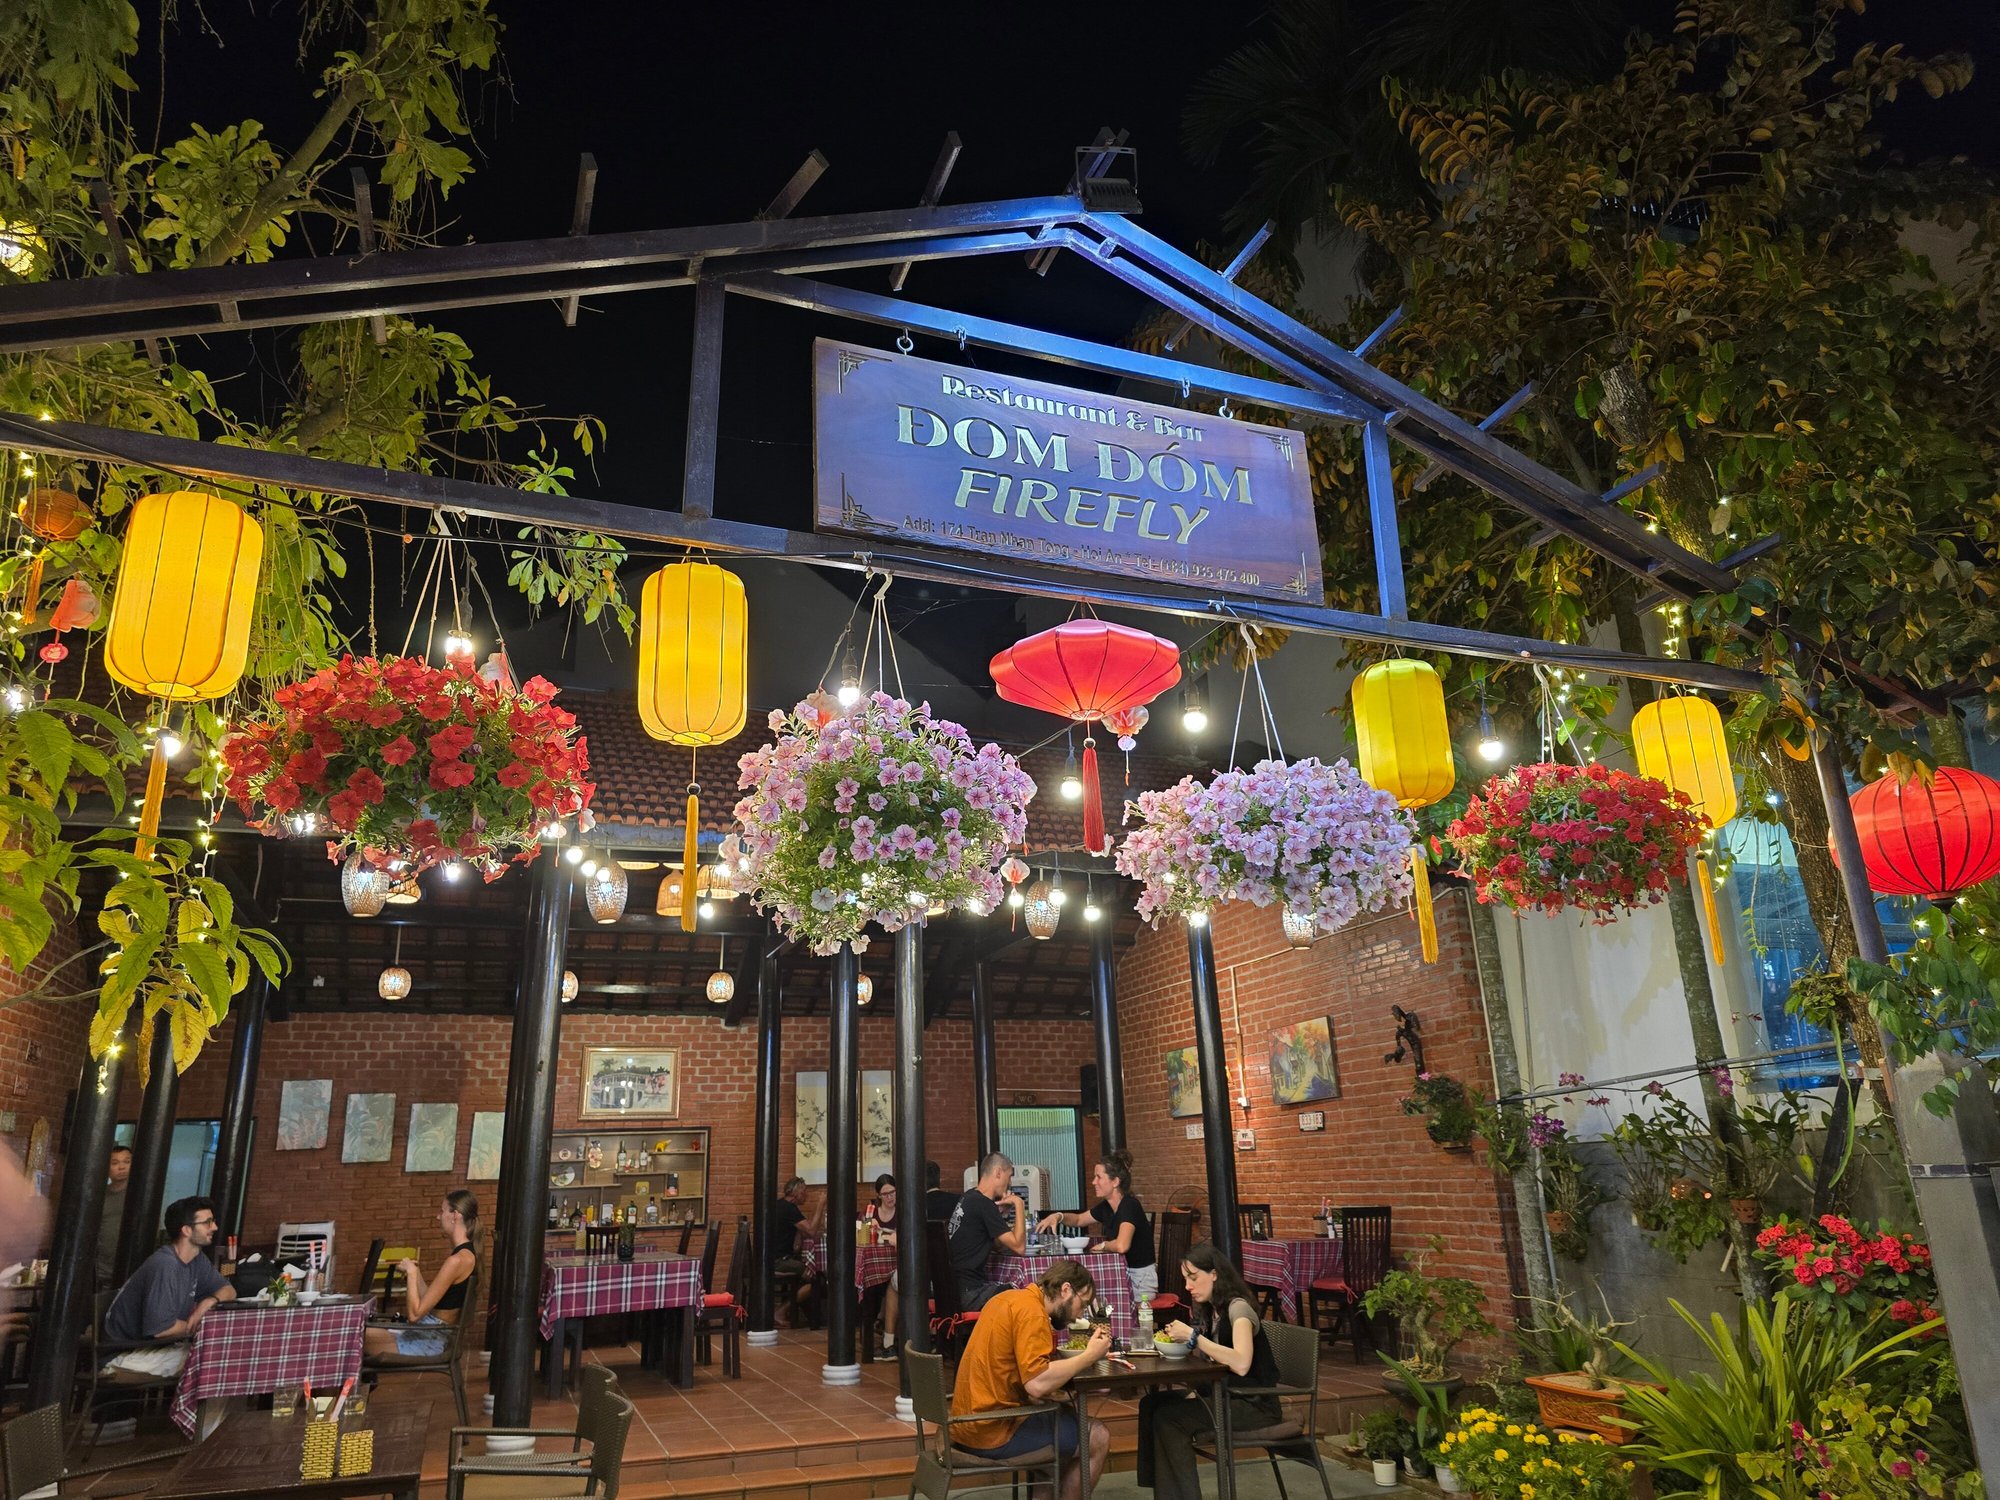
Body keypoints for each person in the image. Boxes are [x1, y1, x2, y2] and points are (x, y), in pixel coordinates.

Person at [950, 1258, 1111, 1500]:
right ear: (1066, 1289)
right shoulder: (1032, 1313)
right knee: (1097, 1436)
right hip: (991, 1429)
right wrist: (1089, 1356)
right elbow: (1036, 1384)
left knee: (1056, 1418)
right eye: (1082, 1304)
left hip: (965, 1423)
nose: (1079, 1315)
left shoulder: (1008, 1298)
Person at [1137, 1243, 1282, 1500]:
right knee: (1151, 1404)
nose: (1188, 1286)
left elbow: (1241, 1362)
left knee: (1169, 1418)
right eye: (1185, 1279)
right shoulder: (1211, 1309)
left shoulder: (1238, 1309)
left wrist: (1193, 1338)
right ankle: (1163, 1491)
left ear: (1214, 1274)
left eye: (1193, 1278)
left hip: (1255, 1404)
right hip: (1227, 1395)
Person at [102, 1195, 235, 1376]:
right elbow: (162, 1329)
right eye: (208, 1222)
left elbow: (229, 1290)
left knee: (226, 1352)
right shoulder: (166, 1264)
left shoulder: (196, 1260)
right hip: (125, 1354)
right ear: (187, 1230)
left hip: (156, 1349)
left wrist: (209, 1301)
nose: (215, 1227)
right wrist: (200, 1324)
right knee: (220, 1357)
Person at [363, 1190, 478, 1358]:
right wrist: (416, 1272)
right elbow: (429, 1302)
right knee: (366, 1330)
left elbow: (414, 1315)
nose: (438, 1217)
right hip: (430, 1334)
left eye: (442, 1211)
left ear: (455, 1216)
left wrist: (411, 1275)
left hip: (428, 1341)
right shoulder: (466, 1254)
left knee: (356, 1333)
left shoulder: (457, 1260)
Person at [1038, 1151, 1157, 1302]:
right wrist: (1058, 1216)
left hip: (1140, 1279)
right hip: (1122, 1273)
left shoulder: (1130, 1205)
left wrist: (1103, 1246)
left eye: (1099, 1177)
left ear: (1115, 1182)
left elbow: (1122, 1245)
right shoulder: (1107, 1206)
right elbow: (1079, 1220)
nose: (1094, 1182)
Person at [947, 1151, 1026, 1311]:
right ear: (998, 1172)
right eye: (1009, 1176)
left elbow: (998, 1245)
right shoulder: (984, 1204)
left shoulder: (969, 1197)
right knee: (1023, 1293)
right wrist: (1019, 1205)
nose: (1009, 1183)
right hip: (970, 1293)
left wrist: (1000, 1217)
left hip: (952, 1290)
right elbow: (1019, 1247)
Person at [772, 1175, 825, 1328]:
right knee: (816, 1278)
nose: (806, 1194)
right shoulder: (790, 1209)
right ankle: (781, 1311)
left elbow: (796, 1244)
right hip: (779, 1261)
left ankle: (804, 1315)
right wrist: (821, 1205)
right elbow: (812, 1231)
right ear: (796, 1193)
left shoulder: (781, 1205)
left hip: (773, 1258)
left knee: (806, 1276)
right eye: (804, 1191)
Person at [872, 1174, 903, 1354]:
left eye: (893, 1192)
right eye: (885, 1194)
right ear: (879, 1196)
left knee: (894, 1282)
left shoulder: (902, 1212)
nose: (890, 1197)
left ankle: (888, 1333)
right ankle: (880, 1320)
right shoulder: (871, 1213)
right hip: (877, 1264)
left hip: (896, 1263)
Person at [96, 1144, 131, 1284]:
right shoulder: (99, 1196)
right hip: (101, 1271)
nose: (121, 1167)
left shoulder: (140, 1195)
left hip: (131, 1271)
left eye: (127, 1162)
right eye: (115, 1163)